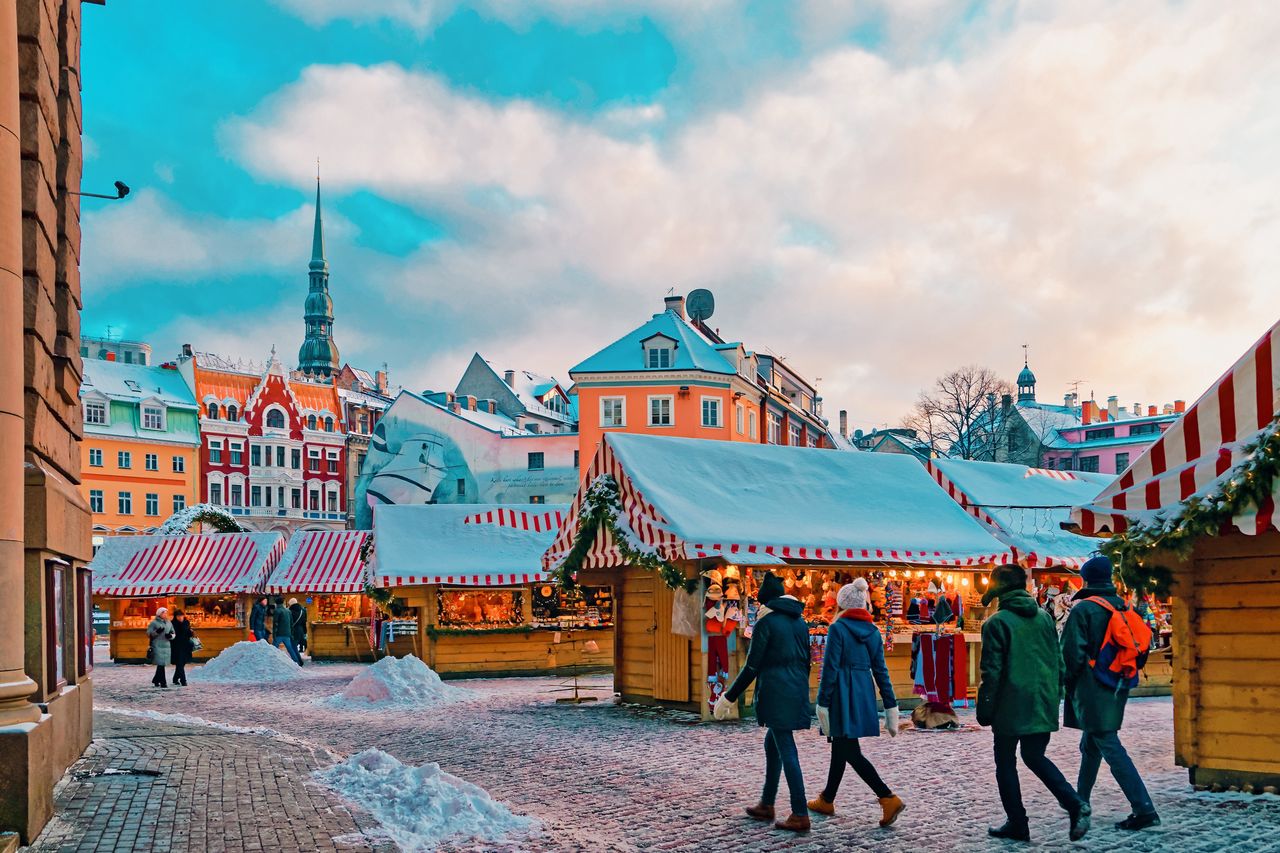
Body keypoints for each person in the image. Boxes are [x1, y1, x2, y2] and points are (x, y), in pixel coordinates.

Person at [978, 564, 1090, 843]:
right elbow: (1058, 660)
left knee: (1005, 762)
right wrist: (1056, 694)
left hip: (1010, 703)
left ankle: (1017, 822)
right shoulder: (1044, 618)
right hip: (1041, 699)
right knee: (1034, 756)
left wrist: (985, 708)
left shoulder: (997, 623)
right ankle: (1075, 803)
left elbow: (991, 672)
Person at [1061, 556, 1160, 831]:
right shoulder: (1124, 606)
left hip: (1092, 687)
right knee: (1091, 744)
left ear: (1087, 580)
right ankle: (1081, 801)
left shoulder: (1084, 610)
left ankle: (1144, 809)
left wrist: (1065, 683)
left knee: (1108, 744)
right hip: (1117, 683)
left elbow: (1070, 654)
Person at [713, 572, 813, 833]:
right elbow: (806, 662)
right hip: (795, 689)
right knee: (773, 744)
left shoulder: (766, 624)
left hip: (777, 692)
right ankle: (767, 803)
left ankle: (800, 812)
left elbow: (752, 666)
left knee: (787, 749)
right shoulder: (800, 622)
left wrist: (729, 697)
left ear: (766, 601)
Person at [809, 578, 905, 827]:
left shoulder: (838, 629)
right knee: (841, 745)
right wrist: (890, 704)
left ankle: (887, 797)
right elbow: (881, 670)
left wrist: (822, 702)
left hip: (842, 691)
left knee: (848, 748)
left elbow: (830, 668)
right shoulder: (873, 631)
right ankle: (827, 798)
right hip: (863, 691)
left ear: (841, 604)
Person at [146, 607, 175, 688]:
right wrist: (157, 632)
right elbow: (148, 634)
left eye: (166, 613)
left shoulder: (169, 623)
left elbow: (173, 632)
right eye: (163, 613)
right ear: (159, 614)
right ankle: (163, 682)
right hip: (157, 645)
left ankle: (156, 679)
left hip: (166, 646)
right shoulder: (154, 623)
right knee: (161, 664)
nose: (165, 614)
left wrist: (171, 636)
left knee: (161, 665)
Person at [272, 596, 303, 666]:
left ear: (276, 603)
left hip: (279, 634)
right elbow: (291, 623)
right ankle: (296, 662)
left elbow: (275, 624)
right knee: (290, 649)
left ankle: (271, 662)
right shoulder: (288, 611)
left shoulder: (277, 611)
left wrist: (274, 634)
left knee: (273, 648)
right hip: (287, 633)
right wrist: (291, 633)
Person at [171, 609, 194, 687]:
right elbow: (174, 634)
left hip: (186, 645)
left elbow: (188, 633)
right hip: (176, 646)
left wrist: (191, 632)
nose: (180, 617)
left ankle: (175, 678)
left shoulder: (186, 623)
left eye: (181, 616)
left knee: (182, 663)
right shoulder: (173, 624)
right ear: (175, 617)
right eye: (178, 616)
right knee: (180, 663)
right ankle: (183, 681)